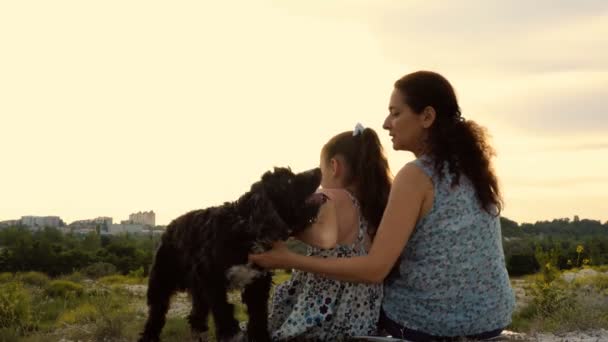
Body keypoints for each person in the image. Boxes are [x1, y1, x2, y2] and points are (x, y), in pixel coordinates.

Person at [250, 71, 515, 342]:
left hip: (431, 325)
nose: (387, 123)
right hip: (492, 318)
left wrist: (287, 259)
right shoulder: (471, 168)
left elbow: (375, 270)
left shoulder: (416, 175)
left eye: (396, 113)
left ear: (427, 117)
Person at [267, 125, 392, 341]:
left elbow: (321, 235)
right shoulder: (378, 210)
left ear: (334, 166)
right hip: (359, 325)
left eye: (321, 170)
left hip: (321, 322)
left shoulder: (331, 197)